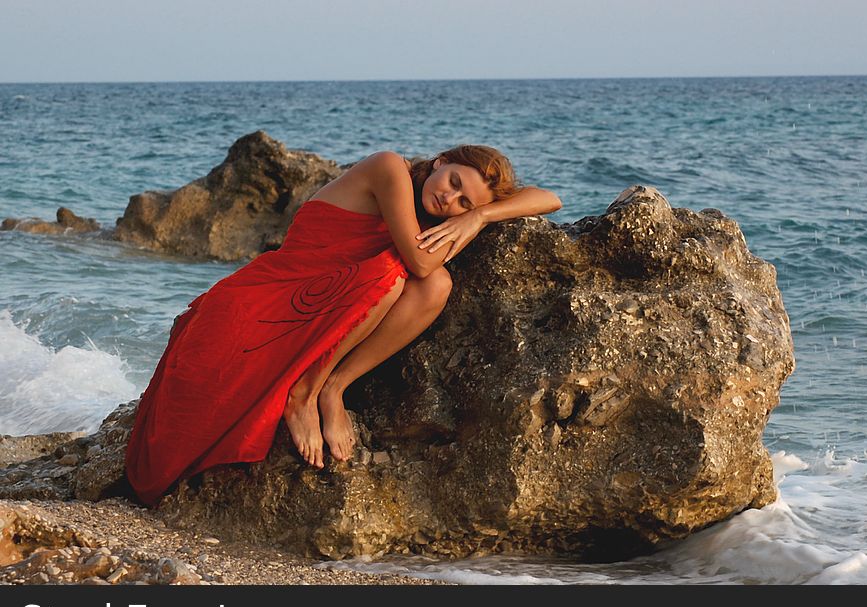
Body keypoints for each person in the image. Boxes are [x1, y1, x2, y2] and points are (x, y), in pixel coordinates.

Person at [124, 145, 562, 506]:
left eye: (464, 202)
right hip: (268, 297)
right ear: (440, 162)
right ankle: (303, 395)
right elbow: (419, 259)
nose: (451, 201)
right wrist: (473, 217)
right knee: (395, 274)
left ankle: (332, 389)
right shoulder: (389, 167)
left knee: (434, 287)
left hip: (331, 302)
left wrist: (481, 217)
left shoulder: (457, 210)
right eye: (453, 184)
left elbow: (550, 198)